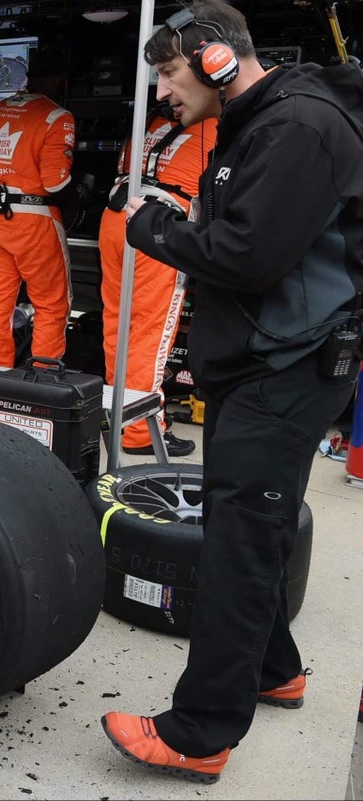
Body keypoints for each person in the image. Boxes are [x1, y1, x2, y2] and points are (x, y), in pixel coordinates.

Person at [102, 0, 363, 784]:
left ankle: (200, 731)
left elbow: (245, 255)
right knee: (258, 523)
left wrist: (148, 224)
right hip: (275, 361)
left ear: (216, 57)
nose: (165, 93)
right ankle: (274, 668)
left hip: (284, 368)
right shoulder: (262, 120)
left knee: (239, 544)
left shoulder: (295, 129)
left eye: (171, 73)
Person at [99, 107, 216, 458]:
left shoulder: (148, 119)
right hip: (160, 224)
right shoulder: (216, 124)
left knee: (116, 324)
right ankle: (141, 434)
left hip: (116, 216)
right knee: (150, 331)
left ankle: (117, 416)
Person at [0, 80, 76, 368]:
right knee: (51, 305)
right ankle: (43, 378)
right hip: (33, 221)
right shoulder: (57, 116)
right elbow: (56, 182)